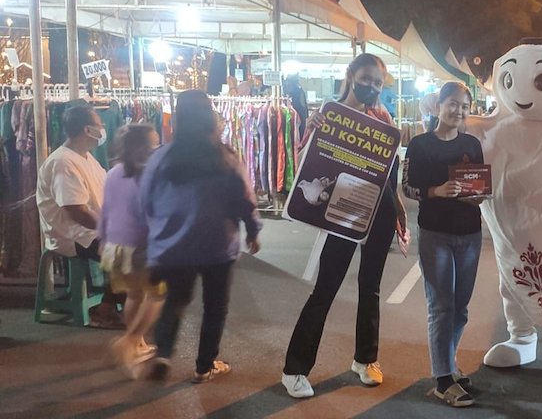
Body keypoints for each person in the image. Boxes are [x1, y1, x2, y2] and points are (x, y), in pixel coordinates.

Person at [282, 53, 408, 399]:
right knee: (326, 287)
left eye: (377, 82)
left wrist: (398, 209)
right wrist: (313, 129)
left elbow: (388, 174)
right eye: (366, 78)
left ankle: (365, 360)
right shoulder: (328, 115)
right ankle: (295, 368)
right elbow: (305, 161)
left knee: (371, 288)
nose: (371, 86)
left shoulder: (383, 118)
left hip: (379, 213)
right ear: (351, 75)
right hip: (341, 213)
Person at [141, 90, 262, 383]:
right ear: (210, 118)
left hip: (174, 243)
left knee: (176, 299)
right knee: (215, 307)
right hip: (217, 243)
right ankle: (204, 366)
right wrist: (253, 230)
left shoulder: (162, 157)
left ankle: (163, 354)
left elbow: (145, 199)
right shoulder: (225, 156)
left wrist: (155, 233)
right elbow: (244, 196)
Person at [403, 82, 484, 407]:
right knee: (440, 306)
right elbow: (407, 188)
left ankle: (447, 364)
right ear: (438, 105)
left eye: (464, 106)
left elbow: (478, 186)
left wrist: (478, 196)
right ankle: (443, 380)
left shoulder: (471, 144)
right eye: (453, 104)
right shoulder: (420, 145)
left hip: (470, 234)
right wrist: (437, 191)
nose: (459, 111)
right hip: (435, 233)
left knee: (460, 309)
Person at [37, 104, 123, 328]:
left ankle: (116, 302)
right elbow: (76, 211)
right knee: (129, 255)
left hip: (91, 227)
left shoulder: (86, 158)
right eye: (100, 125)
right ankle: (105, 310)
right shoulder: (63, 162)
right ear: (88, 130)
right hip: (74, 233)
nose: (103, 129)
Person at [99, 124, 165, 377]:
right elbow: (151, 216)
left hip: (115, 247)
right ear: (141, 148)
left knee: (134, 296)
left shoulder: (113, 172)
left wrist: (102, 238)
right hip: (141, 246)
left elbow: (105, 210)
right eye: (154, 142)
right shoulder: (149, 176)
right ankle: (129, 341)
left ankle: (137, 345)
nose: (157, 146)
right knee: (157, 296)